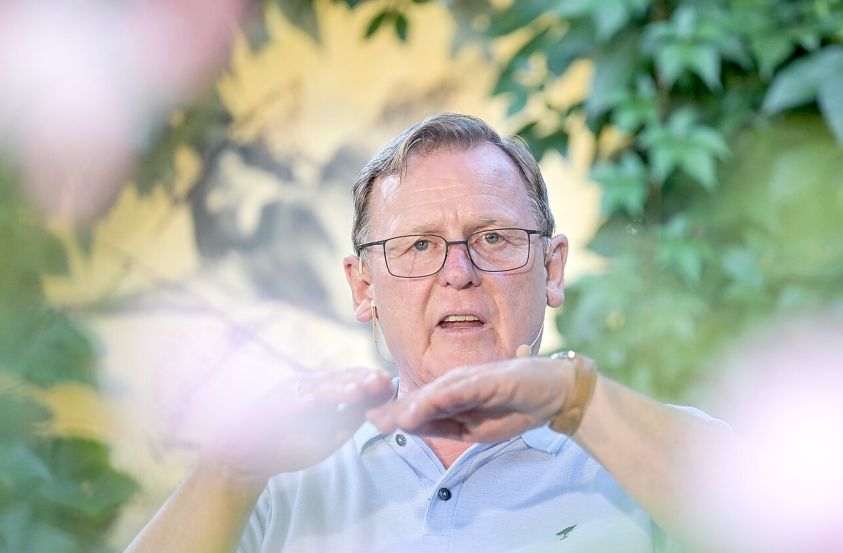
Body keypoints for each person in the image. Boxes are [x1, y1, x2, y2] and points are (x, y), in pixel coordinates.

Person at [124, 113, 730, 553]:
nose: (458, 274)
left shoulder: (642, 450)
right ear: (363, 287)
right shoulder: (276, 478)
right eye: (418, 246)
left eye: (493, 237)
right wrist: (229, 472)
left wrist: (574, 401)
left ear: (551, 269)